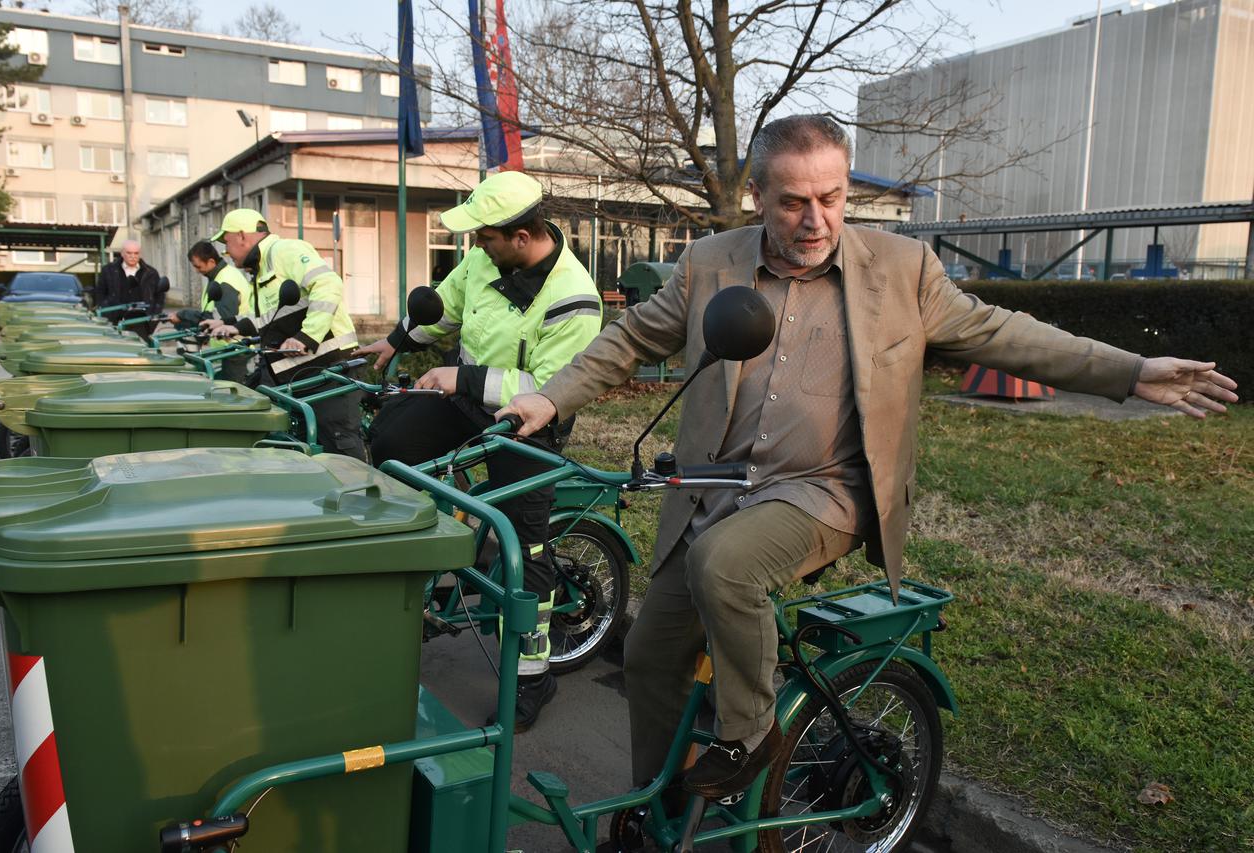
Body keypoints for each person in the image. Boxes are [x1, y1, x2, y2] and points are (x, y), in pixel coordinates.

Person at [498, 114, 1238, 799]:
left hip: (825, 492)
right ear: (757, 196)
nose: (815, 219)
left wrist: (1130, 372)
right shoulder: (707, 264)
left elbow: (1007, 334)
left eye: (832, 196)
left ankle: (750, 734)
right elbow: (629, 340)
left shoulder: (903, 270)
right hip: (714, 490)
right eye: (792, 201)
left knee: (725, 563)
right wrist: (552, 396)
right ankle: (655, 814)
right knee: (653, 657)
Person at [354, 170, 603, 731]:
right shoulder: (487, 259)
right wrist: (396, 340)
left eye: (485, 236)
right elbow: (442, 308)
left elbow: (548, 388)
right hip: (468, 400)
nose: (475, 246)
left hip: (528, 426)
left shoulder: (574, 300)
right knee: (392, 438)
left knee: (525, 551)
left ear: (521, 235)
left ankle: (533, 680)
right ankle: (420, 562)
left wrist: (462, 380)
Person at [201, 208, 366, 461]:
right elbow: (271, 318)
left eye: (227, 242)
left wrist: (306, 337)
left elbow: (328, 284)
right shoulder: (260, 268)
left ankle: (362, 496)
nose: (225, 250)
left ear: (242, 236)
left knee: (339, 445)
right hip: (301, 374)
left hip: (330, 368)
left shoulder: (285, 251)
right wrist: (233, 326)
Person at [169, 241, 253, 384]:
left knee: (233, 393)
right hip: (229, 347)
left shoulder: (225, 281)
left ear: (211, 261)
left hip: (235, 348)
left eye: (198, 266)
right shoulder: (222, 275)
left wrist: (183, 315)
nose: (197, 270)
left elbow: (220, 318)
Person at [95, 239, 163, 341]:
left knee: (140, 352)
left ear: (140, 254)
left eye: (136, 253)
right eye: (129, 253)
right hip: (114, 322)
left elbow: (159, 297)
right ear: (122, 253)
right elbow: (100, 294)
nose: (133, 256)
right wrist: (106, 315)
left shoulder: (151, 273)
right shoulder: (108, 271)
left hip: (142, 323)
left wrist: (152, 320)